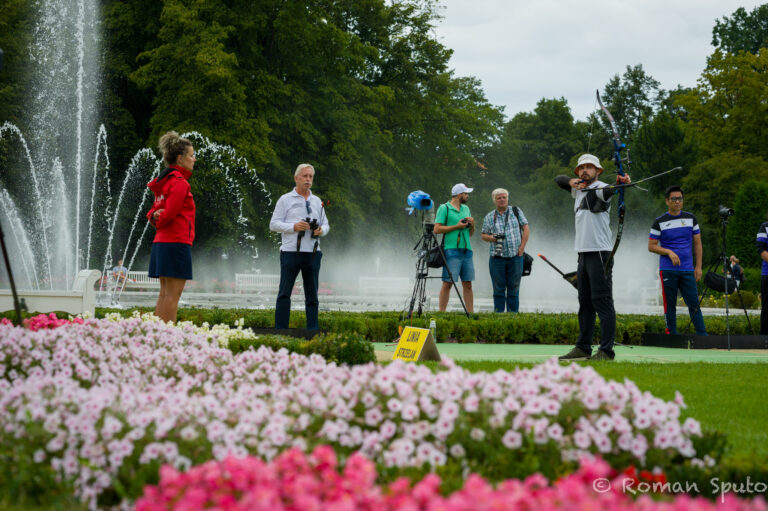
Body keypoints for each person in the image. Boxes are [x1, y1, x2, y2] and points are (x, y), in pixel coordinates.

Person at [555, 154, 630, 361]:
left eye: (590, 167)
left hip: (600, 253)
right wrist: (571, 181)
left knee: (602, 301)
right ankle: (583, 348)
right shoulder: (577, 189)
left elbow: (609, 192)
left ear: (598, 171)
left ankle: (606, 351)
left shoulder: (600, 188)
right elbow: (558, 179)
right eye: (582, 168)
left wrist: (619, 184)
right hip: (583, 253)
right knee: (585, 302)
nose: (585, 170)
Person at [269, 163, 330, 330]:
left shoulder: (317, 201)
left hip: (312, 253)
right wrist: (293, 227)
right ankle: (280, 331)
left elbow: (326, 225)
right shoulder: (285, 199)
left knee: (312, 296)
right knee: (284, 293)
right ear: (296, 178)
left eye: (311, 177)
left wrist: (320, 230)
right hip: (290, 252)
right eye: (305, 176)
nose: (308, 180)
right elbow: (273, 224)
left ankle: (313, 332)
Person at [146, 131, 196, 323]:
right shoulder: (180, 183)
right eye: (191, 155)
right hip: (176, 242)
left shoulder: (165, 181)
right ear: (180, 158)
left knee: (165, 294)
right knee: (172, 297)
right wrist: (159, 216)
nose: (194, 159)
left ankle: (157, 335)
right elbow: (171, 213)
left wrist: (156, 216)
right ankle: (169, 339)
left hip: (162, 243)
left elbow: (154, 211)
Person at [647, 186, 707, 336]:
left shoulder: (691, 218)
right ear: (667, 201)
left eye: (680, 199)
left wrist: (698, 266)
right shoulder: (659, 222)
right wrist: (668, 251)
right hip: (668, 269)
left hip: (687, 269)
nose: (677, 202)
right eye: (674, 199)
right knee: (670, 304)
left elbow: (698, 243)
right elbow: (651, 246)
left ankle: (702, 335)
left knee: (693, 303)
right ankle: (672, 335)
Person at [481, 188, 530, 312]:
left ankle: (512, 316)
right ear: (494, 201)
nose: (502, 200)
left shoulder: (516, 211)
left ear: (507, 199)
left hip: (516, 256)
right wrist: (492, 238)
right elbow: (483, 235)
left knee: (514, 289)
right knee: (498, 290)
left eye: (504, 197)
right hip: (497, 258)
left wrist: (522, 248)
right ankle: (498, 315)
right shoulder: (489, 216)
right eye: (499, 198)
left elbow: (526, 229)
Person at [434, 183, 475, 313]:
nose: (467, 196)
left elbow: (470, 233)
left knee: (468, 284)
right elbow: (437, 229)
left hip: (467, 250)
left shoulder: (466, 209)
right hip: (451, 250)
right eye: (465, 194)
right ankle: (441, 313)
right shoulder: (444, 208)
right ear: (459, 195)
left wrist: (472, 225)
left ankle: (470, 314)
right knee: (447, 283)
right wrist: (456, 226)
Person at [756, 221, 768, 334]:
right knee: (766, 309)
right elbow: (760, 249)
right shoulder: (764, 226)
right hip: (767, 274)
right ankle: (764, 339)